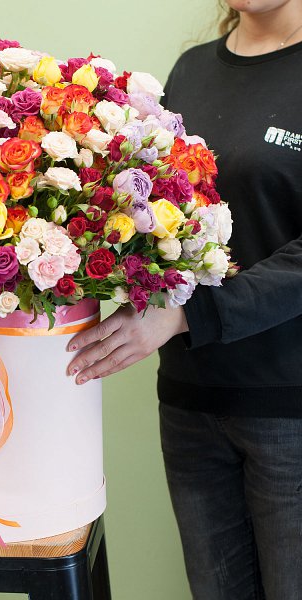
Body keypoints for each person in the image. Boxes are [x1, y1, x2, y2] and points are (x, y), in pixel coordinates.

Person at [66, 1, 302, 598]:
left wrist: (186, 315)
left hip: (290, 410)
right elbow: (162, 214)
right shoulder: (192, 70)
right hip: (192, 404)